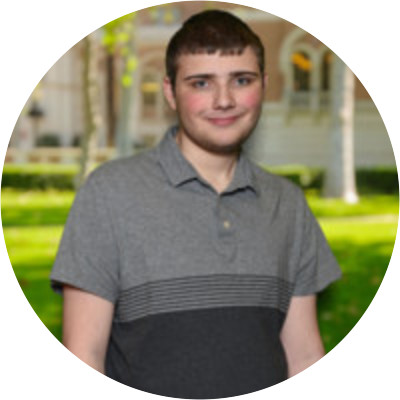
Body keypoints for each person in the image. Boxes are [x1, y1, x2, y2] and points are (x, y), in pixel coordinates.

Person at [50, 9, 341, 398]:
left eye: (241, 80)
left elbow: (304, 357)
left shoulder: (287, 204)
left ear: (264, 85)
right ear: (170, 92)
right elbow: (83, 356)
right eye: (201, 83)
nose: (224, 100)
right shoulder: (108, 194)